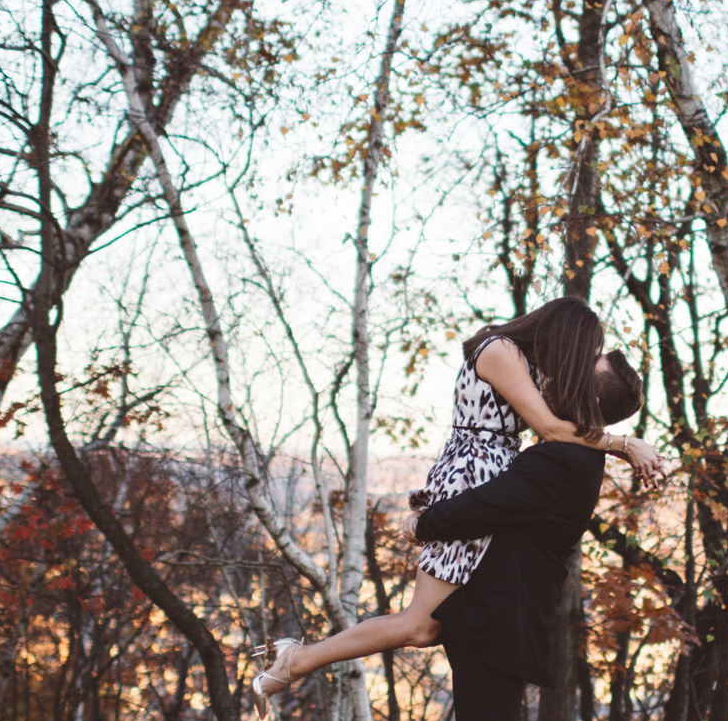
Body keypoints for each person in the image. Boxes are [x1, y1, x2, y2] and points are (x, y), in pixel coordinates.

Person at [250, 297, 660, 699]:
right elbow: (551, 430)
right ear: (564, 335)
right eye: (583, 352)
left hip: (492, 475)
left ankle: (294, 662)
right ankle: (294, 662)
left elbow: (560, 424)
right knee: (420, 624)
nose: (578, 363)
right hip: (470, 477)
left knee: (430, 626)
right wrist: (623, 444)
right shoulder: (501, 351)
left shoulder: (529, 366)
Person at [413, 351, 646, 721]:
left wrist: (423, 520)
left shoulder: (562, 459)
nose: (557, 376)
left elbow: (485, 505)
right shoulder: (568, 454)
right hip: (494, 620)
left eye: (575, 372)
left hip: (502, 625)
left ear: (585, 398)